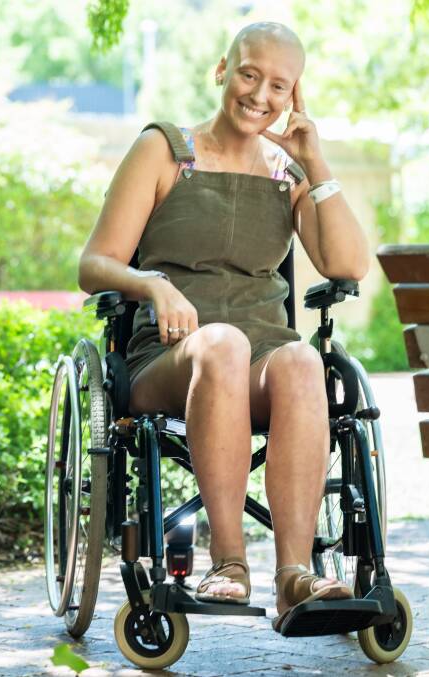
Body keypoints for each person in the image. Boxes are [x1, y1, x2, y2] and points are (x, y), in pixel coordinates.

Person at [77, 22, 371, 632]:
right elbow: (94, 263)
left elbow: (346, 265)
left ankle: (294, 574)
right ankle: (228, 562)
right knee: (223, 344)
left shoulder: (288, 174)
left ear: (296, 96)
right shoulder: (163, 149)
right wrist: (153, 284)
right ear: (222, 71)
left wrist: (313, 158)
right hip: (168, 354)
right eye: (249, 73)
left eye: (279, 86)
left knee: (299, 360)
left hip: (260, 351)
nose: (260, 94)